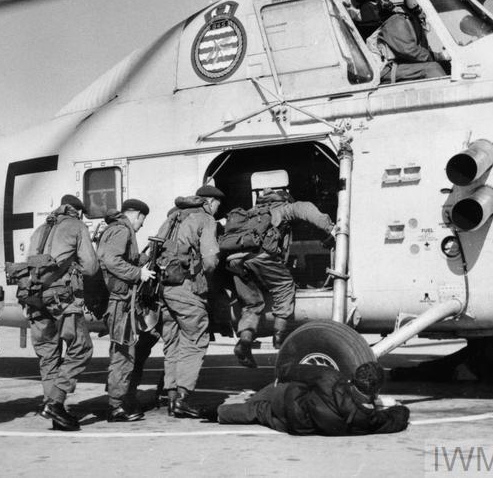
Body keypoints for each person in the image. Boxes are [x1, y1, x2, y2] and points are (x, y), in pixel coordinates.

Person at [226, 187, 335, 368]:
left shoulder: (250, 213)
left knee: (252, 303)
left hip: (234, 261)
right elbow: (306, 209)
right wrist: (330, 229)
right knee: (284, 285)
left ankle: (244, 342)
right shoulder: (284, 208)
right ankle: (279, 339)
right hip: (259, 257)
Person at [28, 194, 99, 431]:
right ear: (77, 212)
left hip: (34, 298)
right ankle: (57, 403)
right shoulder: (77, 226)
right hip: (61, 299)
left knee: (48, 354)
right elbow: (90, 267)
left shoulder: (40, 229)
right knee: (81, 348)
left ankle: (51, 407)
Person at [155, 185, 222, 419]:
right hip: (186, 287)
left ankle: (172, 396)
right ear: (210, 202)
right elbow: (211, 260)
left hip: (165, 288)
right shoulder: (205, 218)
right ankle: (183, 398)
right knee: (195, 337)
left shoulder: (174, 216)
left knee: (172, 342)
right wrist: (203, 277)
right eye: (217, 204)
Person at [212, 362, 410, 436]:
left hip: (289, 400)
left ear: (355, 377)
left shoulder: (331, 378)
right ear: (376, 389)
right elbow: (395, 421)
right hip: (296, 426)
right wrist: (401, 408)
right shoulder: (366, 419)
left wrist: (281, 375)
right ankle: (221, 412)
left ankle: (220, 410)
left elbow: (296, 371)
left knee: (266, 399)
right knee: (259, 412)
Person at [97, 198, 152, 422]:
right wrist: (139, 274)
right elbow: (110, 260)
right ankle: (115, 407)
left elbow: (123, 258)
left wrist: (144, 258)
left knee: (123, 350)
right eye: (142, 220)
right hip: (120, 301)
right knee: (123, 352)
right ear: (137, 215)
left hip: (121, 300)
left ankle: (117, 401)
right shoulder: (122, 230)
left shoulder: (117, 229)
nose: (141, 225)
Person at [374, 0, 446, 83]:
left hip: (402, 65)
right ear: (415, 4)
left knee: (446, 65)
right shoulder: (397, 21)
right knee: (433, 69)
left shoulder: (412, 20)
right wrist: (438, 56)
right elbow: (409, 51)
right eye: (426, 5)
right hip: (388, 69)